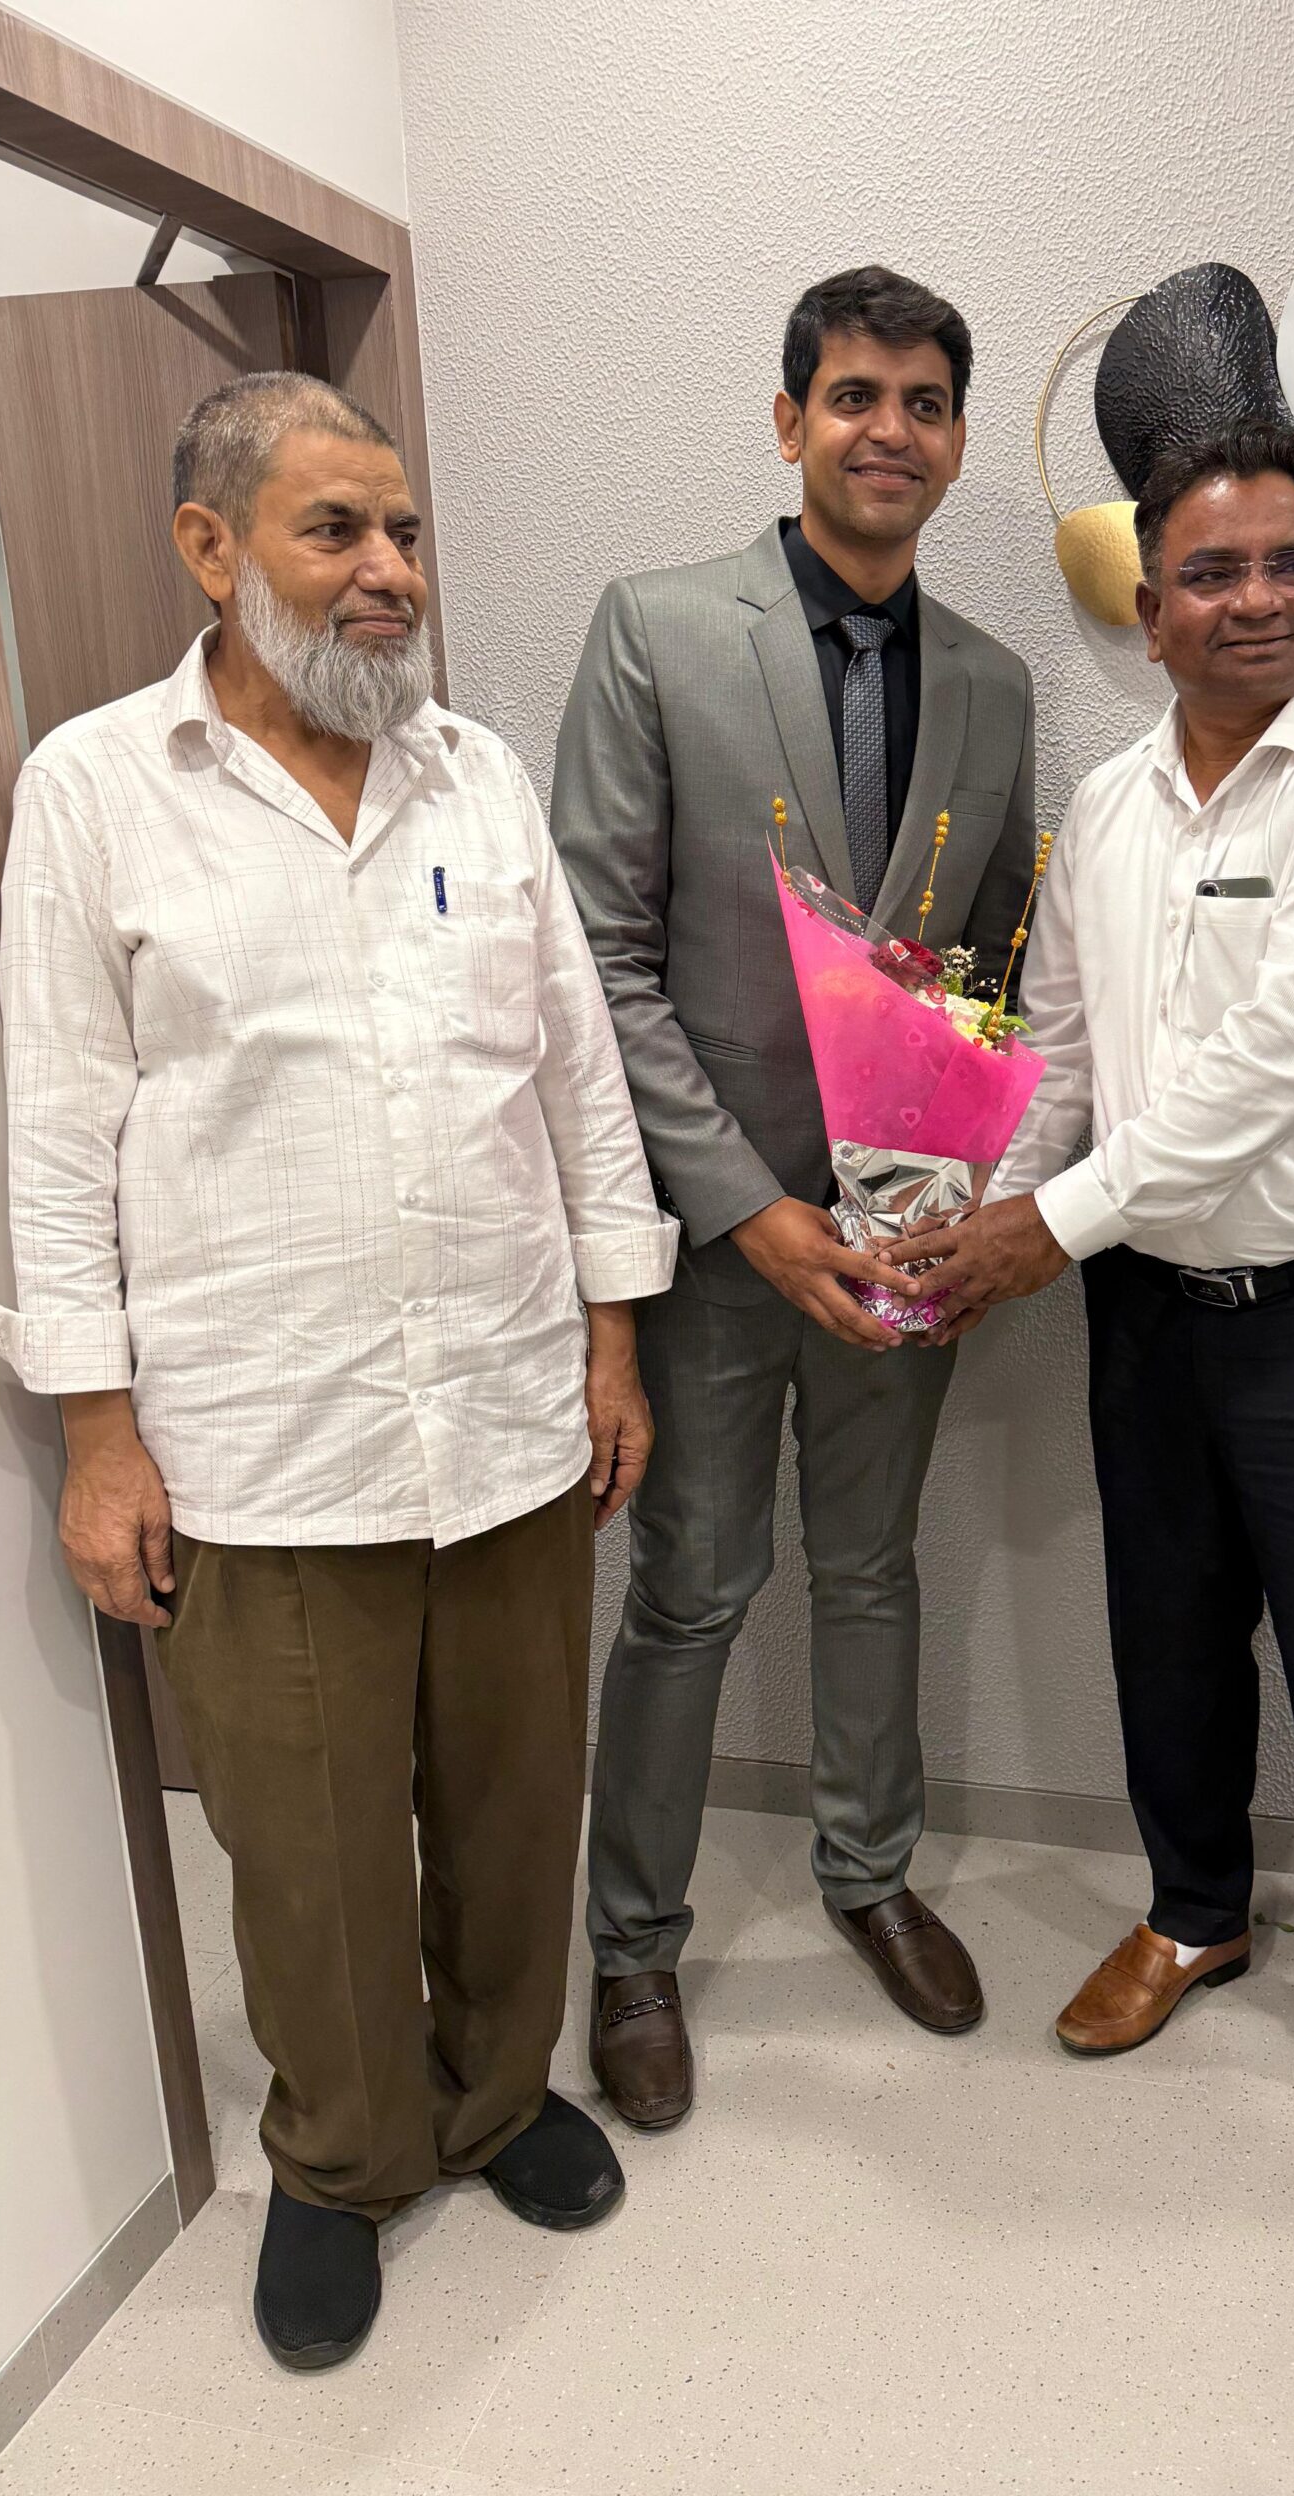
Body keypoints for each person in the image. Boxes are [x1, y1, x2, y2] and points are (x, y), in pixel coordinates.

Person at [0, 373, 677, 2368]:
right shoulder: (100, 788)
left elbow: (576, 1077)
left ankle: (498, 2097)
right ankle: (342, 2155)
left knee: (512, 1802)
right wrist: (97, 1433)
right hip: (262, 1438)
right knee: (307, 1849)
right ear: (211, 550)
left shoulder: (476, 775)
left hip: (507, 1406)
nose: (390, 570)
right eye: (335, 531)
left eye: (404, 532)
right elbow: (55, 1128)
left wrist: (610, 1332)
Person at [907, 419, 1294, 2205]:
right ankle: (1196, 1912)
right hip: (1149, 1309)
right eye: (1212, 574)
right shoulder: (1110, 806)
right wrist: (984, 1215)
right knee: (1166, 1635)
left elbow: (1275, 1064)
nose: (1257, 599)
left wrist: (1049, 1227)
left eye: (1292, 563)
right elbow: (1064, 1047)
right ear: (1148, 612)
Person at [551, 265, 1035, 2127]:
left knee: (873, 1565)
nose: (887, 430)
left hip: (906, 1235)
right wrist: (750, 1207)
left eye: (923, 402)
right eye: (853, 396)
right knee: (690, 1588)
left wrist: (959, 1199)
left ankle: (868, 1872)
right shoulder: (660, 628)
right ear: (789, 422)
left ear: (957, 443)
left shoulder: (991, 684)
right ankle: (634, 1946)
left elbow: (987, 974)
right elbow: (602, 961)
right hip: (714, 1233)